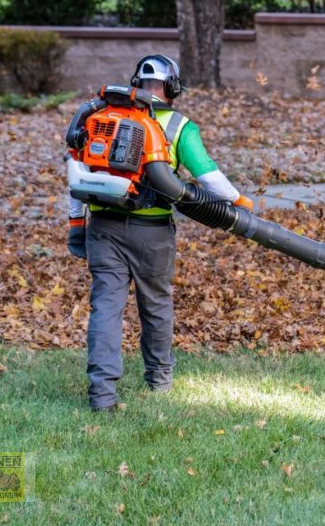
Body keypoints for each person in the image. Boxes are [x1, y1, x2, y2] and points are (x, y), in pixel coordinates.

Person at [66, 54, 253, 412]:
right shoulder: (179, 126)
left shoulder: (99, 116)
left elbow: (75, 172)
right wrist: (238, 201)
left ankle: (102, 395)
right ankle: (159, 380)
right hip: (151, 232)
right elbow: (208, 178)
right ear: (172, 88)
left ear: (135, 83)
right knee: (155, 304)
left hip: (102, 226)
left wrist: (76, 224)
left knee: (105, 307)